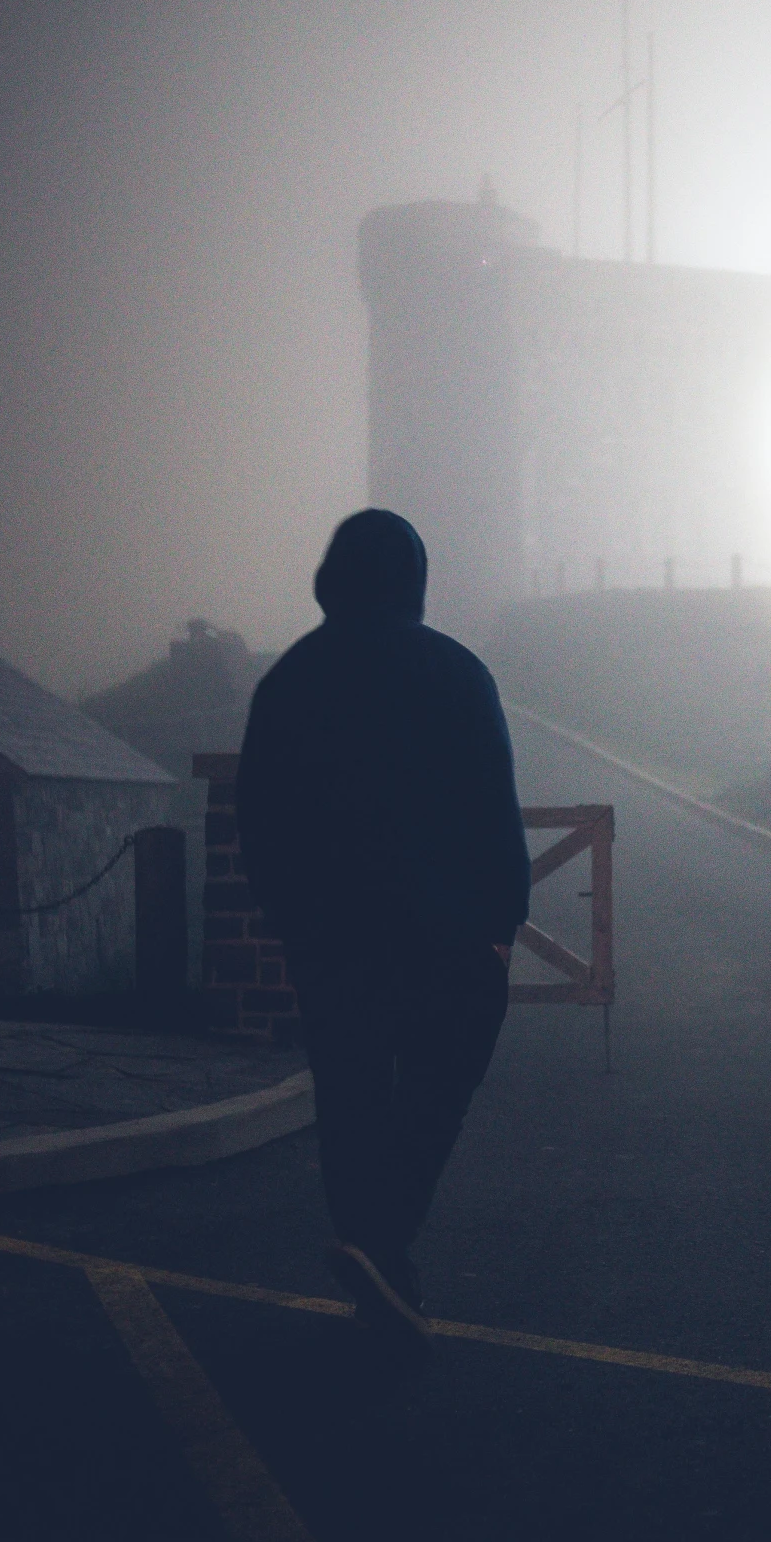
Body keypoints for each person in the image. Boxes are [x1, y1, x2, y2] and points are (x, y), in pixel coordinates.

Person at [237, 508, 530, 1357]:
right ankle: (383, 1245)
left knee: (350, 1095)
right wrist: (501, 922)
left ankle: (377, 1264)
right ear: (414, 578)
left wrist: (285, 917)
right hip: (446, 934)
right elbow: (491, 803)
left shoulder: (288, 679)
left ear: (331, 578)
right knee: (438, 1087)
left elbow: (256, 813)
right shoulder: (456, 671)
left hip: (330, 936)